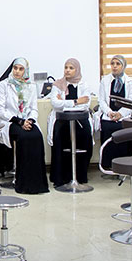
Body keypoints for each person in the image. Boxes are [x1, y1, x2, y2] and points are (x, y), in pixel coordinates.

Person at [0, 58, 49, 194]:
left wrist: (30, 120)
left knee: (37, 136)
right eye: (15, 68)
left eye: (21, 69)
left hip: (27, 120)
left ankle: (37, 183)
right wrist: (19, 121)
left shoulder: (31, 86)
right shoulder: (4, 85)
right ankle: (22, 183)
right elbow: (0, 110)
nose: (17, 72)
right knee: (24, 137)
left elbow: (34, 108)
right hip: (10, 121)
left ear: (26, 71)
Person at [47, 58, 93, 187]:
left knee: (85, 139)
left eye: (71, 68)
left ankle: (80, 176)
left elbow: (86, 105)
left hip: (81, 120)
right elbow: (55, 104)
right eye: (66, 67)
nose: (67, 70)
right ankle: (61, 177)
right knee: (60, 141)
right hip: (61, 120)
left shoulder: (84, 85)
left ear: (77, 70)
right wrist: (76, 102)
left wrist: (64, 103)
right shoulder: (57, 85)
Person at [97, 55, 132, 175]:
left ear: (123, 66)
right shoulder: (105, 81)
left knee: (123, 131)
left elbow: (131, 102)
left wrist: (120, 114)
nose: (114, 66)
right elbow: (102, 100)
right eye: (112, 63)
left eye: (118, 64)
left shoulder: (130, 82)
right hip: (109, 115)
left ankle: (124, 165)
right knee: (108, 128)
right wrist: (109, 112)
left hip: (124, 116)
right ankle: (108, 166)